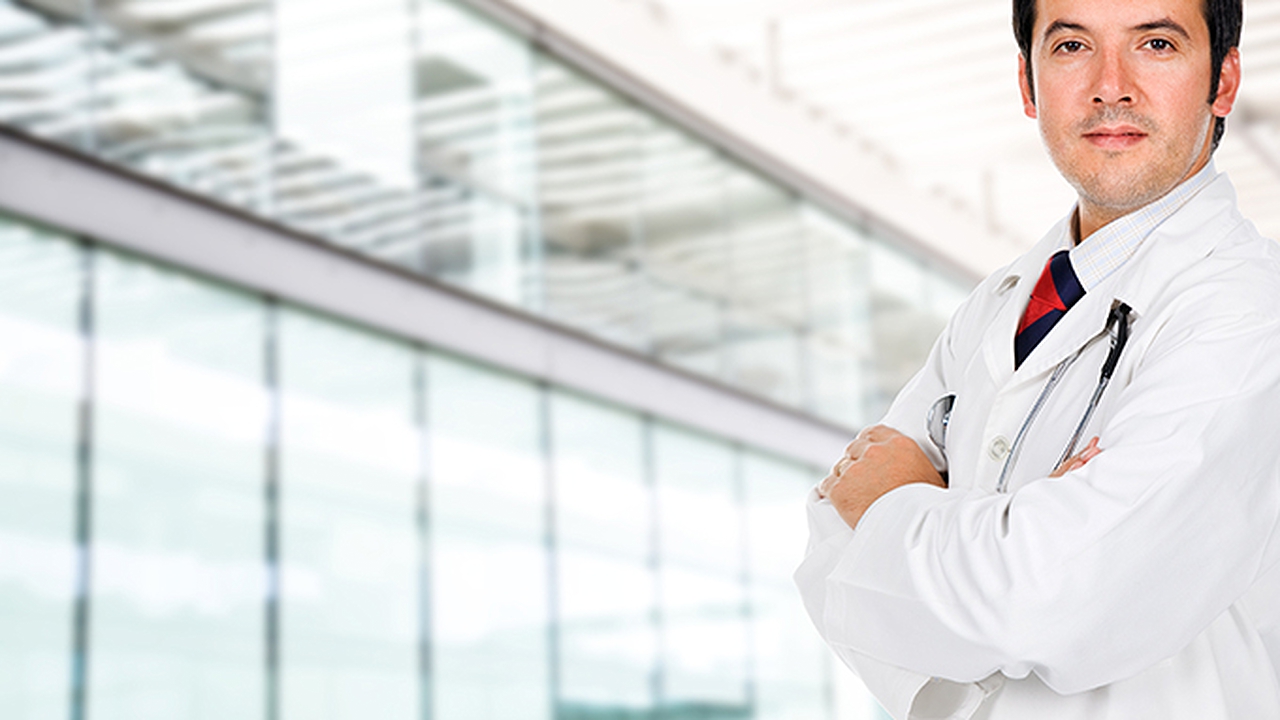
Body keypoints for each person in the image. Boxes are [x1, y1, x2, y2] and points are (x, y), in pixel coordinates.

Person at [793, 0, 1280, 718]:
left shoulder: (1249, 313)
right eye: (1072, 46)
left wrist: (897, 508)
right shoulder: (997, 304)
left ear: (1224, 82)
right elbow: (829, 556)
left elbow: (1052, 597)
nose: (1111, 86)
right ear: (1028, 83)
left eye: (1155, 44)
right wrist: (1010, 538)